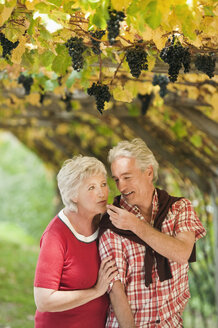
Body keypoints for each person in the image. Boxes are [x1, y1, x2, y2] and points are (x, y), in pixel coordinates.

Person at [99, 138, 206, 328]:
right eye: (116, 179)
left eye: (127, 177)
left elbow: (182, 253)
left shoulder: (179, 208)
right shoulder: (113, 221)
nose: (121, 187)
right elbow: (116, 291)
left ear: (148, 172)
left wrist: (135, 225)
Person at [34, 155, 117, 328]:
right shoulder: (56, 235)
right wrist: (96, 291)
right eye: (91, 188)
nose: (102, 192)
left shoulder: (106, 225)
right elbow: (44, 300)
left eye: (103, 184)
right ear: (73, 195)